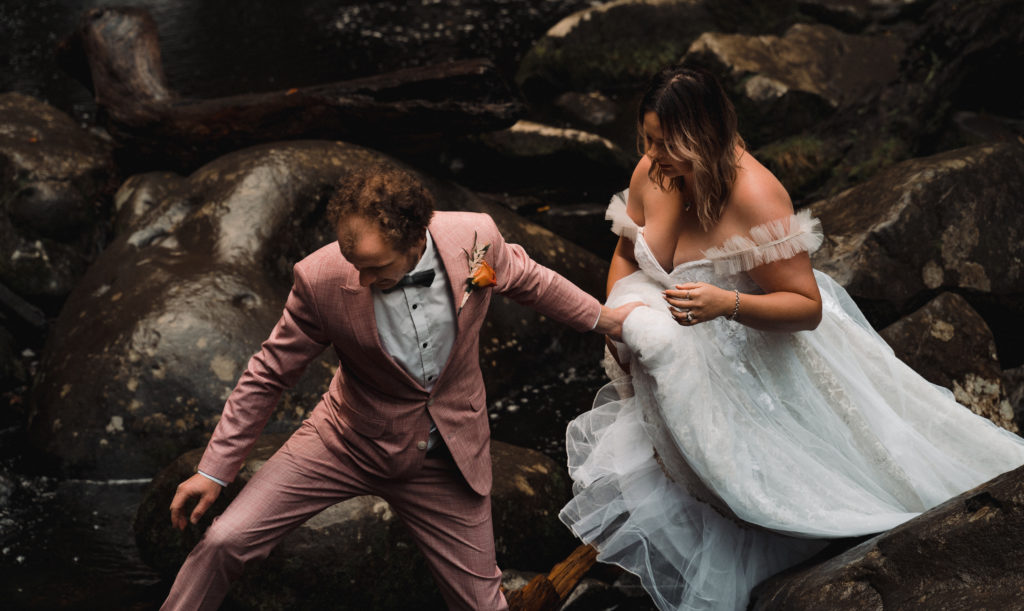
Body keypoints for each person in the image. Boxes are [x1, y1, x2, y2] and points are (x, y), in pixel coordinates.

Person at [559, 66, 1024, 611]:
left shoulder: (756, 195)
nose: (653, 154)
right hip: (677, 362)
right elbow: (623, 253)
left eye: (667, 143)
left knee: (843, 483)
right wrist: (618, 323)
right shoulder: (653, 173)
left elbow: (806, 307)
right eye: (649, 139)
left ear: (704, 137)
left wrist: (724, 304)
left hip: (757, 351)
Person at [161, 164, 640, 611]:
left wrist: (607, 320)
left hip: (446, 454)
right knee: (224, 540)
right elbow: (269, 372)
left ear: (415, 240)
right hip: (345, 440)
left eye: (375, 268)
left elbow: (533, 281)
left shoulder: (475, 238)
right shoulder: (321, 277)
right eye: (354, 263)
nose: (361, 279)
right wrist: (214, 470)